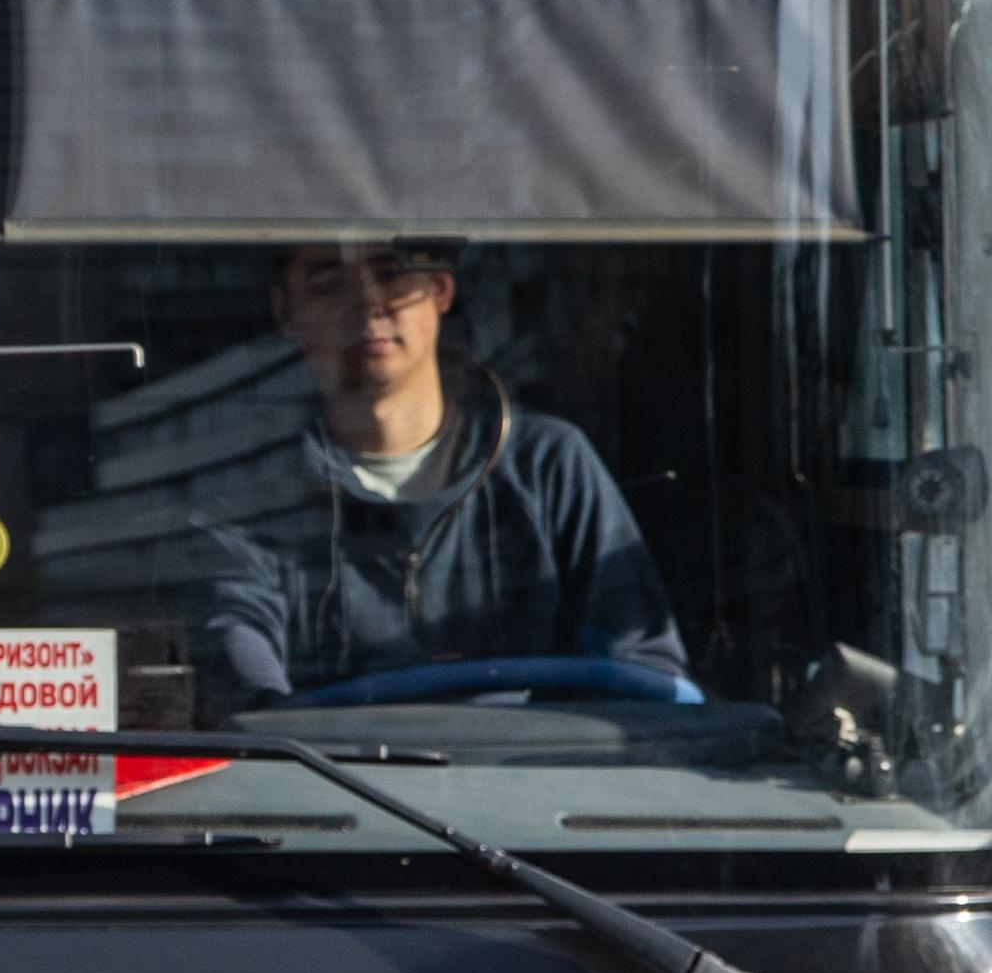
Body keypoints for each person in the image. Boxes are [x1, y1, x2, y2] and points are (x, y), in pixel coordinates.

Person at [191, 239, 688, 718]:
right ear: (285, 311)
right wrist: (265, 710)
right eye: (330, 282)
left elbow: (639, 672)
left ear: (441, 291)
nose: (369, 304)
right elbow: (242, 665)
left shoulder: (548, 466)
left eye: (391, 274)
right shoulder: (254, 496)